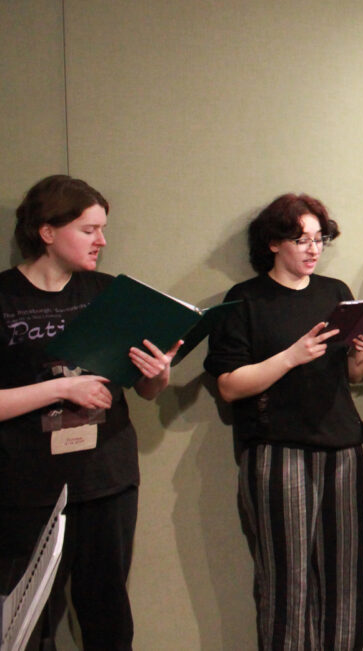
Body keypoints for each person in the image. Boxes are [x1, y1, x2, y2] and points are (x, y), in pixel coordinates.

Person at [0, 175, 178, 649]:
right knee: (29, 618)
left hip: (107, 478)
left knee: (108, 612)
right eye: (88, 229)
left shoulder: (109, 292)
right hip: (28, 486)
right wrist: (64, 388)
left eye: (103, 228)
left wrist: (157, 373)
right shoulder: (3, 296)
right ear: (47, 231)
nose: (102, 240)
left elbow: (145, 392)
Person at [204, 193, 363, 650]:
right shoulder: (245, 299)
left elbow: (354, 376)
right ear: (274, 243)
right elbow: (229, 385)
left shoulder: (335, 292)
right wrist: (290, 357)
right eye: (301, 239)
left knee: (346, 576)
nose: (313, 249)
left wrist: (361, 351)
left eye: (320, 239)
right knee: (287, 582)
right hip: (279, 451)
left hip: (345, 447)